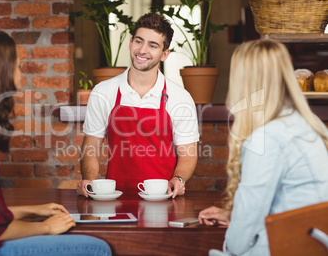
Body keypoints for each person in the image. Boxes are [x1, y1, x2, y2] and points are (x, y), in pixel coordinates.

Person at [0, 27, 111, 255]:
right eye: (17, 66)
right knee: (96, 248)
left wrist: (30, 210)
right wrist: (45, 227)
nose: (20, 75)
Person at [198, 39, 328, 256]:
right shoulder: (303, 125)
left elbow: (239, 243)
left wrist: (238, 227)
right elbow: (280, 203)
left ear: (244, 82)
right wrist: (235, 216)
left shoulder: (268, 138)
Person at [76, 13, 199, 198]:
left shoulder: (180, 98)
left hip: (162, 198)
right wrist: (89, 180)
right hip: (114, 198)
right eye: (139, 41)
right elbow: (91, 147)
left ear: (164, 54)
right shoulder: (103, 92)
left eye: (153, 45)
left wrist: (178, 179)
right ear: (131, 42)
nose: (142, 50)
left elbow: (188, 155)